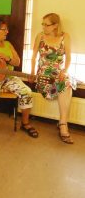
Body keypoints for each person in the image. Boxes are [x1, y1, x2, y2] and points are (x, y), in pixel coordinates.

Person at [31, 13, 76, 144]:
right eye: (43, 24)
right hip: (43, 73)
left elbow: (68, 57)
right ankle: (63, 125)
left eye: (47, 24)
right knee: (63, 83)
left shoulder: (65, 36)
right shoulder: (40, 36)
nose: (43, 27)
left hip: (59, 73)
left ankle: (63, 123)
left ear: (55, 25)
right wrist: (33, 73)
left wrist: (64, 71)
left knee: (66, 83)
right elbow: (34, 56)